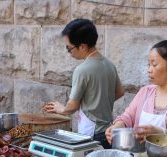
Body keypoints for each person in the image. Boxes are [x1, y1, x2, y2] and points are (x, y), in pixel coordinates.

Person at [43, 19, 124, 149]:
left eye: (69, 48)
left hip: (92, 133)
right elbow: (120, 92)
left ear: (82, 46)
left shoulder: (82, 70)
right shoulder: (109, 65)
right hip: (108, 130)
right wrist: (99, 102)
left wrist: (61, 109)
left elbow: (72, 106)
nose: (69, 52)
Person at [105, 40, 167, 144]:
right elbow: (127, 117)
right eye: (149, 64)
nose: (149, 70)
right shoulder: (146, 92)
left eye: (154, 64)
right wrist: (117, 127)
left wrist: (161, 133)